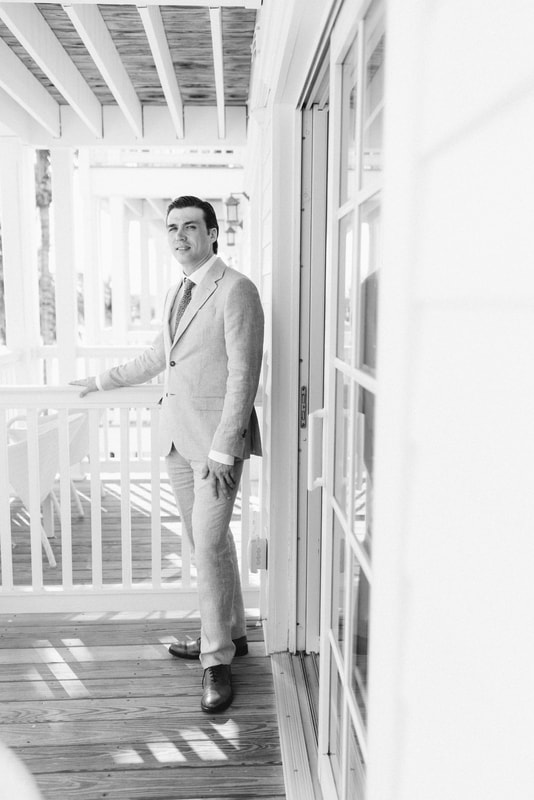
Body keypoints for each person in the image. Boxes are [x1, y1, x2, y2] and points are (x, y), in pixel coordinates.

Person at [71, 195, 264, 712]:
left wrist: (226, 448)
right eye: (172, 228)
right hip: (177, 440)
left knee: (205, 547)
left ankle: (215, 660)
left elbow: (244, 376)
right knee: (213, 544)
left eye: (190, 228)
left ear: (214, 233)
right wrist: (96, 381)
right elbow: (160, 357)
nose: (179, 237)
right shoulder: (178, 291)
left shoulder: (237, 290)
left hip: (216, 449)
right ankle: (234, 634)